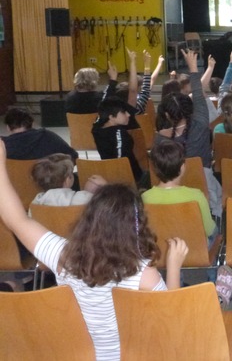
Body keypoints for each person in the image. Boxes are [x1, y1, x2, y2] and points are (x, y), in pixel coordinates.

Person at [0, 139, 188, 361]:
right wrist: (174, 266)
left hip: (76, 355)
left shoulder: (64, 255)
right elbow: (172, 321)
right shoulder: (143, 274)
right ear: (137, 226)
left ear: (89, 219)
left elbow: (16, 220)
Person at [155, 49, 222, 218]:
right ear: (189, 108)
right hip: (204, 183)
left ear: (167, 115)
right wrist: (194, 68)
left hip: (170, 187)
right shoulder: (200, 124)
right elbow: (198, 95)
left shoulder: (160, 139)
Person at [141, 140, 217, 242]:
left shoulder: (145, 198)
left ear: (155, 169)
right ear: (182, 167)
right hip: (196, 252)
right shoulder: (196, 196)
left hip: (161, 253)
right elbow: (209, 230)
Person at [91, 96, 144, 183]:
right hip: (130, 178)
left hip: (107, 173)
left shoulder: (96, 128)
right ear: (111, 117)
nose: (128, 114)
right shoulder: (119, 134)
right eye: (124, 112)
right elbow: (120, 163)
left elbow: (99, 118)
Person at [2, 107, 78, 161]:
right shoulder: (48, 136)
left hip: (12, 182)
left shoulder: (2, 146)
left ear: (8, 127)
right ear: (32, 123)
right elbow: (73, 156)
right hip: (47, 182)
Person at [30, 154, 105, 207]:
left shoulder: (35, 203)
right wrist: (105, 187)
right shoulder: (85, 199)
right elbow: (107, 208)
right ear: (67, 180)